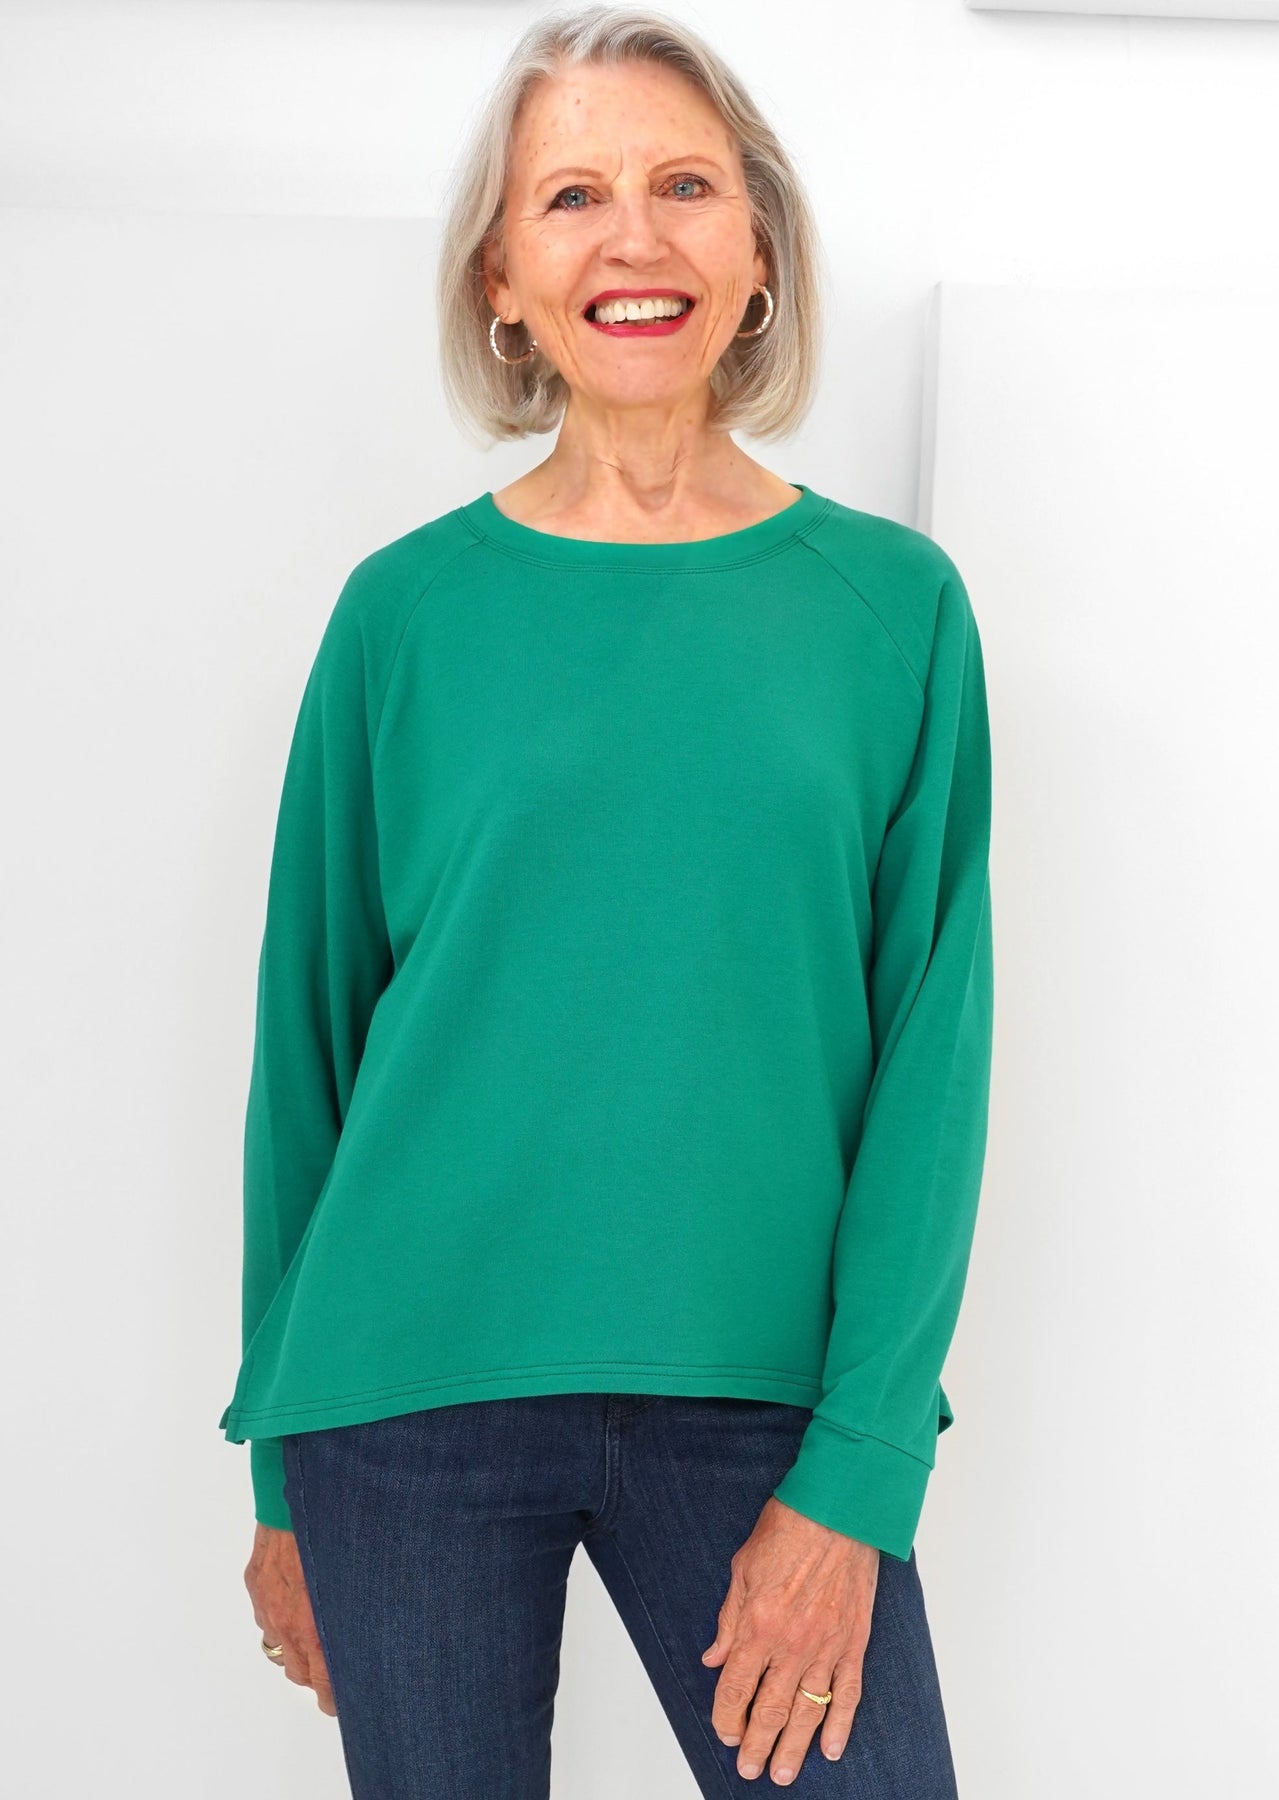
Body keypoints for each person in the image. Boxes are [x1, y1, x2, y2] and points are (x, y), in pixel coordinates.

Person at [219, 6, 994, 1794]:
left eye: (685, 188)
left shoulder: (894, 611)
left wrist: (863, 1473)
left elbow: (932, 1069)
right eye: (571, 196)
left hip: (765, 1410)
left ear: (758, 252)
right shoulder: (401, 618)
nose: (633, 238)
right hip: (400, 1405)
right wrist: (278, 1471)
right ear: (502, 278)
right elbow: (306, 1057)